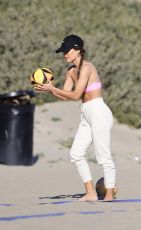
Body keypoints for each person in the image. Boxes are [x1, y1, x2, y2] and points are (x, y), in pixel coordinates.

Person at [35, 34, 117, 201]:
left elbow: (76, 94)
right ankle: (91, 193)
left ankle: (109, 194)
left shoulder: (87, 68)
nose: (64, 54)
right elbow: (66, 96)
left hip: (98, 111)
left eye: (67, 50)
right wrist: (48, 89)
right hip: (86, 113)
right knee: (76, 154)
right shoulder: (71, 71)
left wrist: (52, 89)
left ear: (78, 50)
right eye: (62, 51)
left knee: (103, 156)